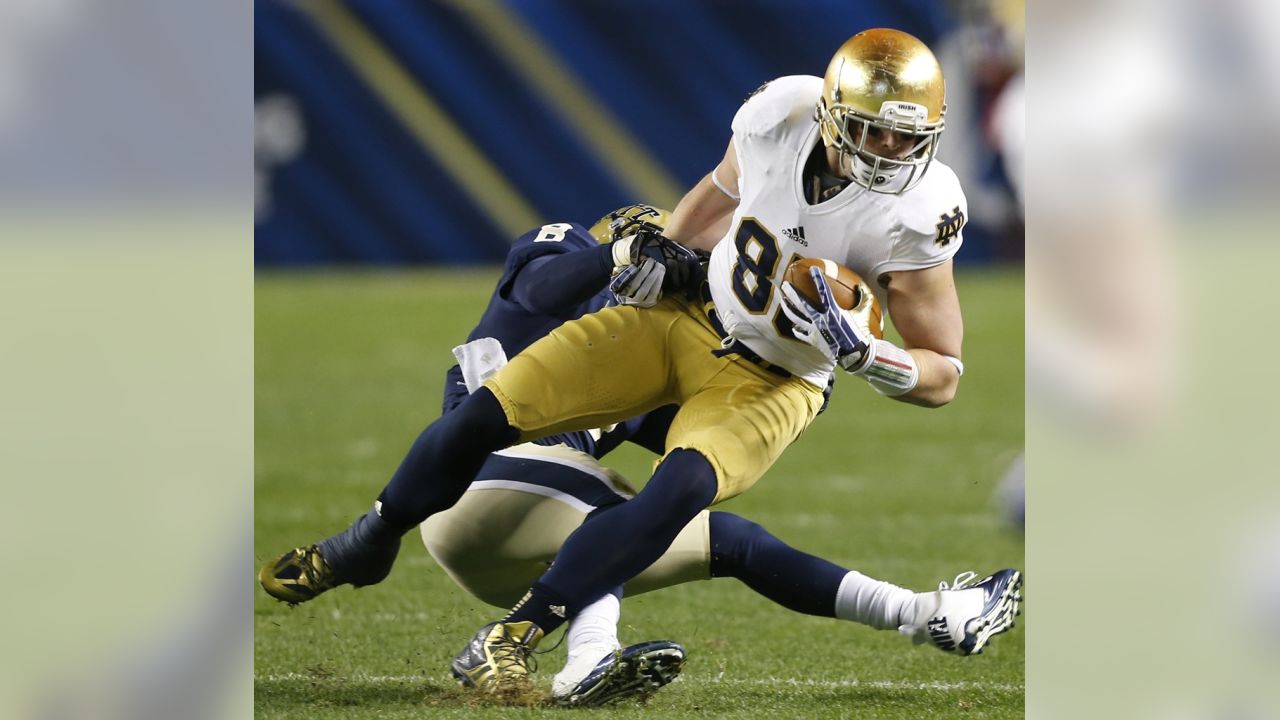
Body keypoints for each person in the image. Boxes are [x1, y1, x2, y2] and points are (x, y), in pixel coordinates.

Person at [260, 28, 1022, 695]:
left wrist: (867, 356)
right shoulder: (778, 115)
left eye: (906, 136)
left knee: (685, 484)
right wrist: (661, 250)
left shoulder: (921, 213)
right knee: (490, 411)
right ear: (829, 114)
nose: (890, 152)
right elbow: (715, 197)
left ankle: (518, 637)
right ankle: (367, 544)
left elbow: (942, 374)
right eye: (873, 132)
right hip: (686, 320)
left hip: (778, 377)